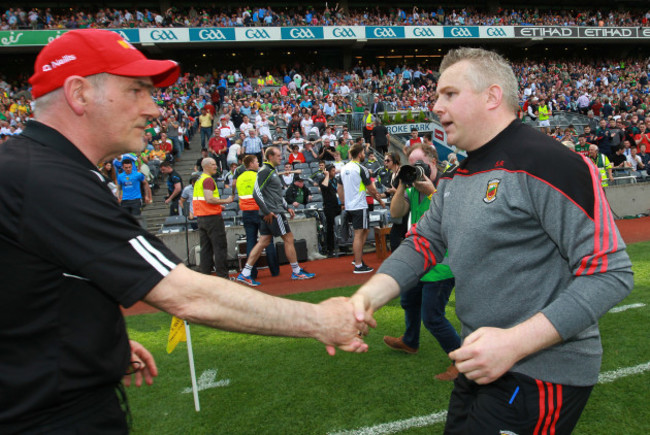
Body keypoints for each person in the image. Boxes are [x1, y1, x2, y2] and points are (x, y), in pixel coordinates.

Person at [0, 29, 369, 434]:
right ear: (79, 93)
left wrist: (95, 345)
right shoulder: (47, 179)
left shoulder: (37, 170)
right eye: (137, 91)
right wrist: (318, 319)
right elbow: (186, 293)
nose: (154, 109)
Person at [348, 48, 633, 434]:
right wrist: (363, 299)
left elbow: (610, 273)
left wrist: (513, 344)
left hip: (539, 374)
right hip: (482, 364)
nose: (435, 106)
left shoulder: (549, 162)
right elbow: (422, 243)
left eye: (449, 94)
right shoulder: (457, 175)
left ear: (492, 97)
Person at [382, 144, 461, 381]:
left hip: (442, 263)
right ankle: (410, 341)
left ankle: (461, 361)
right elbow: (396, 213)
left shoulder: (449, 182)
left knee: (433, 317)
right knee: (409, 300)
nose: (416, 168)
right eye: (411, 163)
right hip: (420, 257)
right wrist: (402, 185)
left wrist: (430, 191)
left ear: (433, 163)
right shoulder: (412, 187)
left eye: (420, 163)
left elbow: (456, 217)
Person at [236, 147, 315, 286]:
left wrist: (287, 207)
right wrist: (267, 211)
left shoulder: (271, 171)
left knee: (264, 241)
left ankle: (245, 273)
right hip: (273, 213)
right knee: (288, 238)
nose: (281, 157)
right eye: (278, 155)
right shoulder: (266, 171)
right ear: (270, 157)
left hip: (272, 211)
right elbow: (256, 193)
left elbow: (275, 194)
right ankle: (296, 271)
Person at [337, 143, 385, 274]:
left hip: (350, 206)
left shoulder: (343, 168)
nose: (364, 154)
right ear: (359, 154)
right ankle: (358, 265)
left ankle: (357, 259)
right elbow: (371, 188)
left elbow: (339, 188)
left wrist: (343, 202)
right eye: (363, 152)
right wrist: (380, 200)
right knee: (359, 233)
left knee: (364, 230)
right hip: (359, 205)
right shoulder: (361, 168)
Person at [236, 155, 280, 279]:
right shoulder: (258, 175)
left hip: (246, 212)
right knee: (267, 240)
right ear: (250, 164)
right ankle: (274, 271)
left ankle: (252, 272)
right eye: (256, 162)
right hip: (260, 211)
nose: (258, 164)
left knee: (251, 241)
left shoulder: (239, 178)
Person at [319, 163, 341, 257]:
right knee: (330, 228)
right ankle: (330, 249)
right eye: (332, 170)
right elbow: (324, 186)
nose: (334, 172)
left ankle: (342, 245)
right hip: (329, 207)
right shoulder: (323, 180)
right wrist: (327, 175)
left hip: (338, 205)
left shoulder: (336, 180)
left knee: (341, 226)